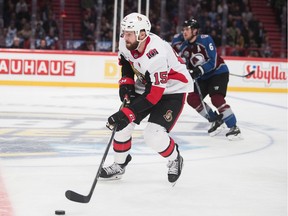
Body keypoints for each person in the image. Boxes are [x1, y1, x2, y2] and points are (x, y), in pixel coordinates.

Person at [100, 12, 193, 184]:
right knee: (123, 127)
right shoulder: (126, 41)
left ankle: (174, 158)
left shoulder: (156, 54)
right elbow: (127, 62)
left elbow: (154, 95)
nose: (124, 36)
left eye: (129, 33)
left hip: (172, 90)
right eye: (124, 32)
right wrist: (126, 84)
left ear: (142, 34)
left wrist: (126, 113)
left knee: (153, 135)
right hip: (148, 85)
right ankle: (119, 165)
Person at [179, 18, 241, 140]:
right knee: (192, 98)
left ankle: (234, 127)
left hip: (218, 73)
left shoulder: (205, 40)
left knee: (216, 99)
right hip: (202, 77)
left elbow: (212, 62)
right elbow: (185, 66)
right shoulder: (184, 47)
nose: (184, 32)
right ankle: (215, 119)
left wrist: (198, 70)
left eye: (187, 29)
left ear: (195, 31)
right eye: (183, 29)